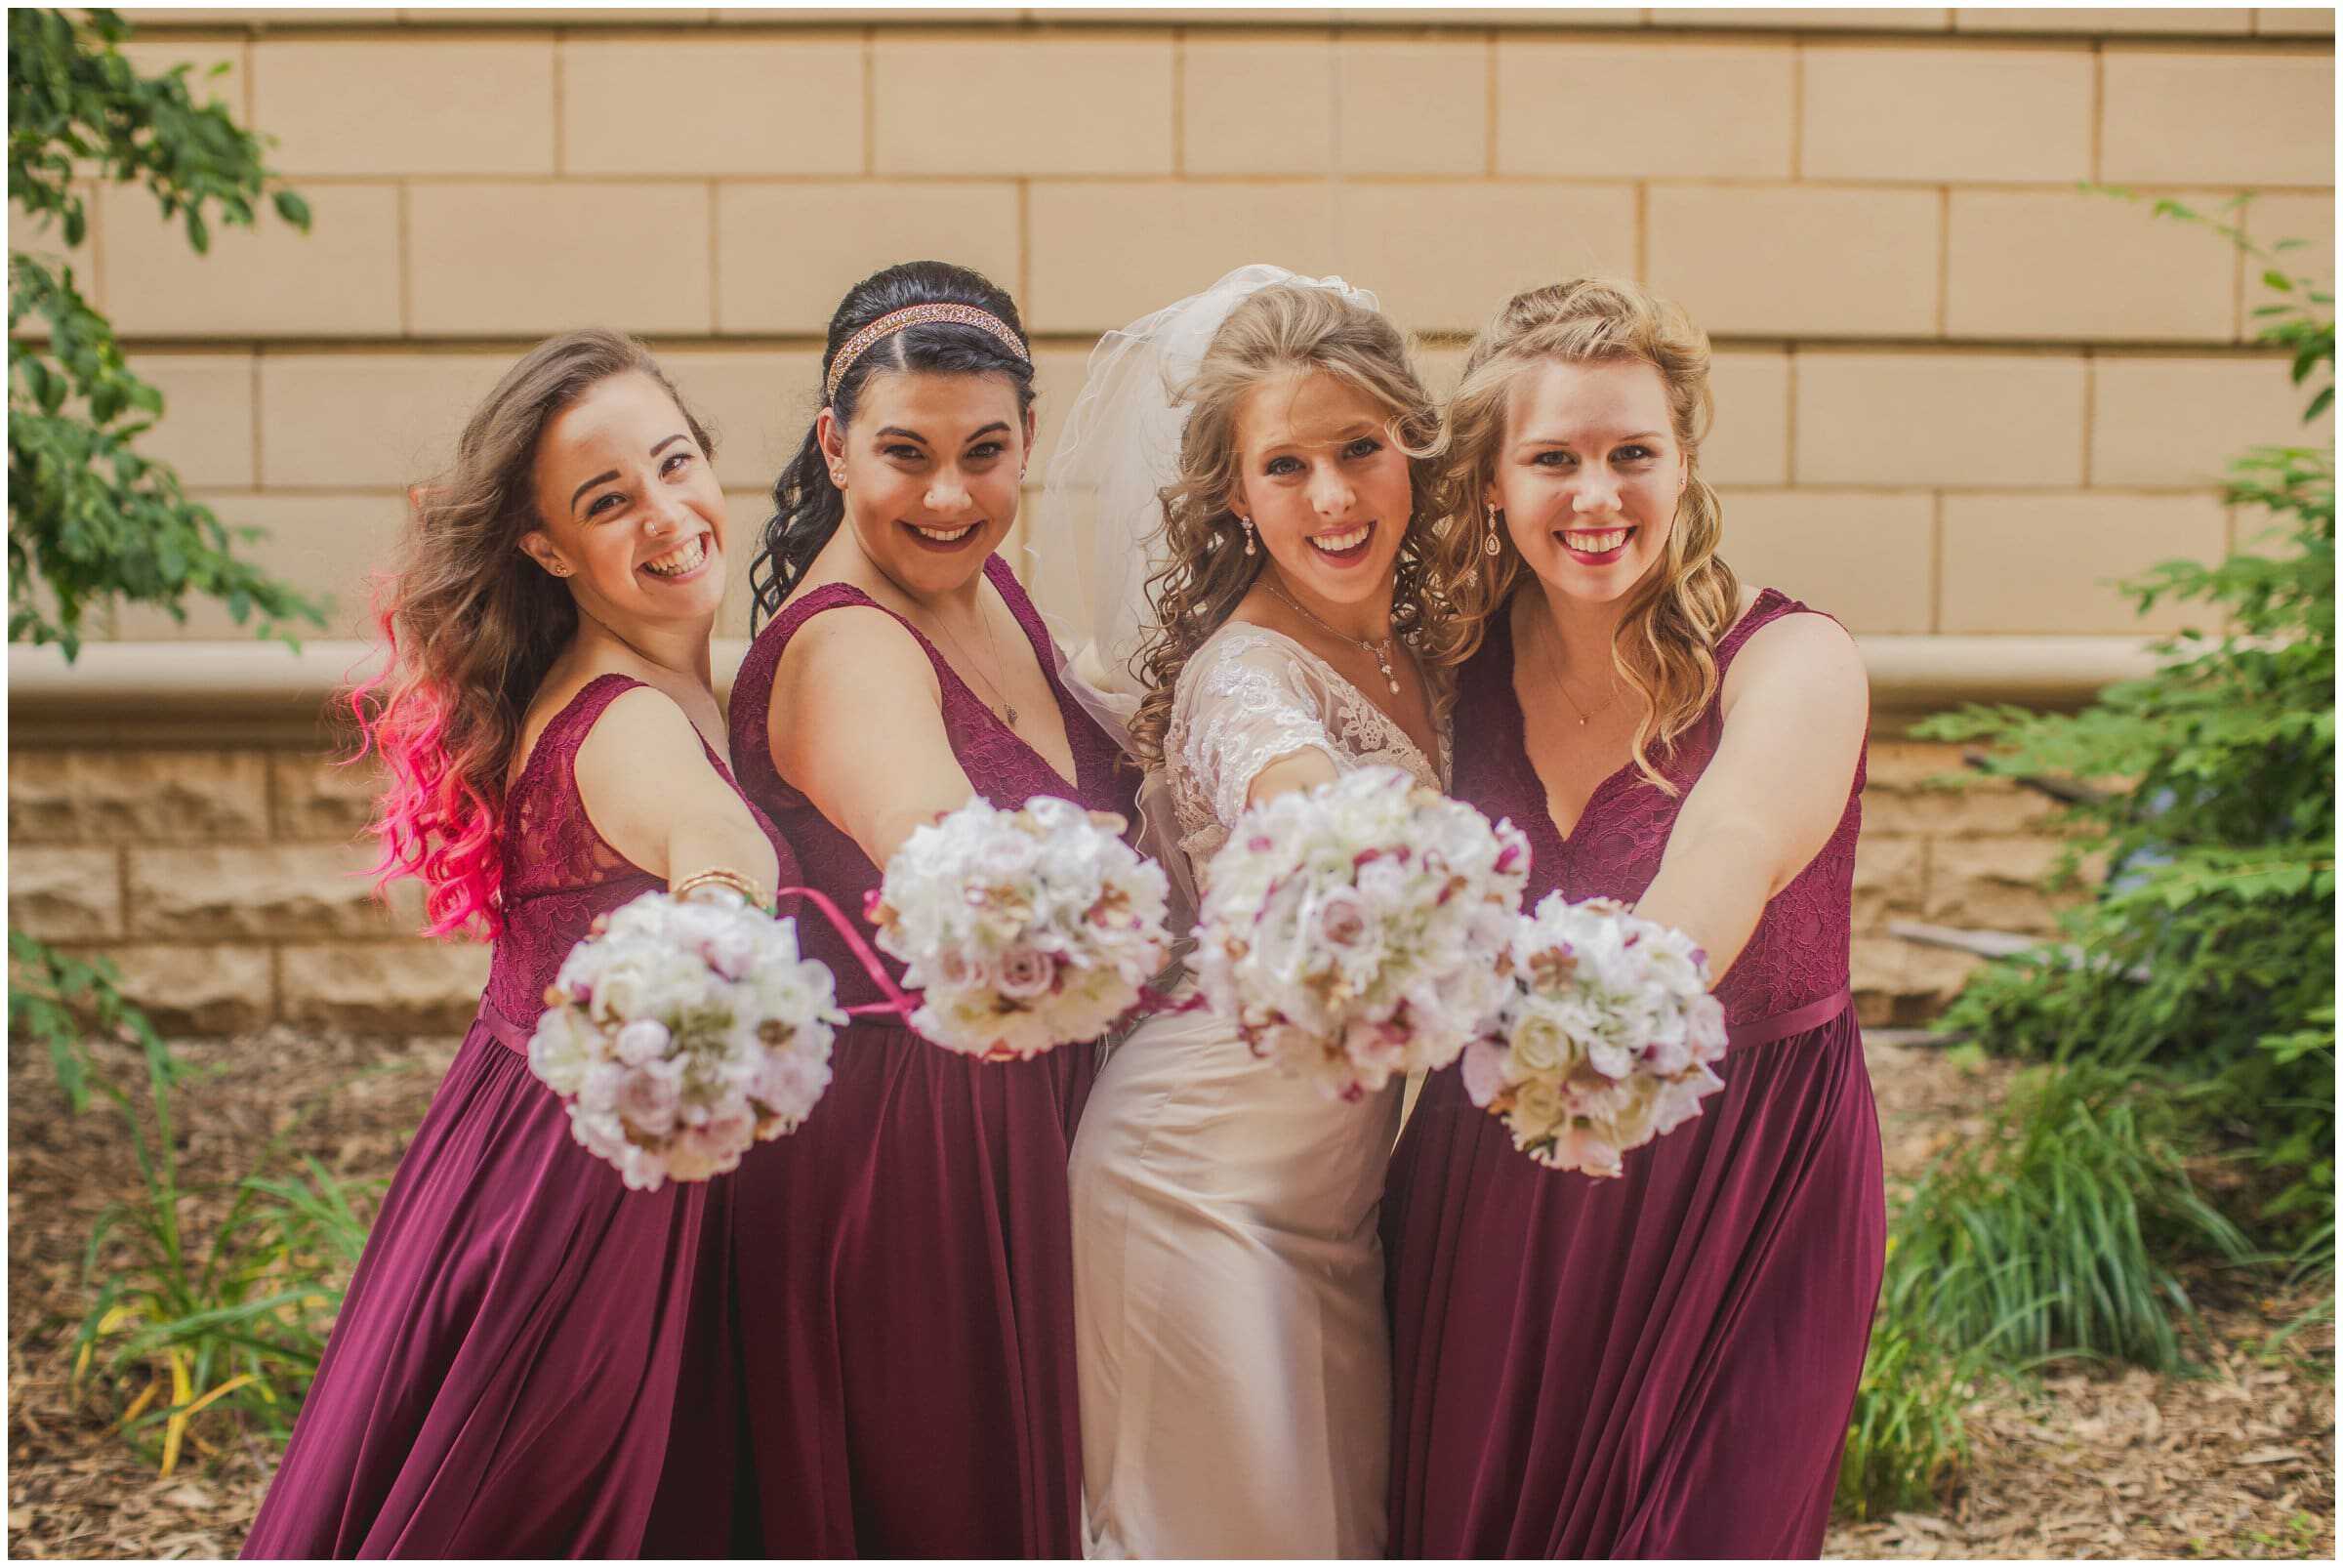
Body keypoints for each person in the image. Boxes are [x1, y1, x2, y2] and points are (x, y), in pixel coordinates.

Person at [244, 330, 788, 1557]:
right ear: (547, 547)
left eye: (675, 463)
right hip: (583, 1207)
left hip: (520, 1150)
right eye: (609, 501)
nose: (666, 513)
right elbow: (715, 838)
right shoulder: (627, 717)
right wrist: (720, 919)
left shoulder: (661, 675)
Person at [1380, 277, 1886, 1558]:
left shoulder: (1793, 659)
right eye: (1553, 458)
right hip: (1489, 1184)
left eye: (1631, 455)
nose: (1597, 497)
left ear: (1684, 464)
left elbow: (1733, 840)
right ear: (1492, 482)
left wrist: (1609, 1025)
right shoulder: (1447, 677)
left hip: (1750, 1188)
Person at [1042, 267, 1459, 1558]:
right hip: (1191, 1175)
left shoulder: (1426, 642)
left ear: (1410, 448)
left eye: (1359, 448)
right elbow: (1293, 789)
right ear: (1234, 490)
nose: (1332, 497)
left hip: (1330, 1199)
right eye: (1287, 466)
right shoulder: (1240, 678)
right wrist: (1338, 846)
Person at [721, 260, 1135, 1557]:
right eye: (907, 452)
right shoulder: (847, 647)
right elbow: (953, 863)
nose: (951, 495)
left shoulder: (981, 586)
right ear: (836, 445)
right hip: (914, 1158)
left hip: (1025, 1116)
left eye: (986, 452)